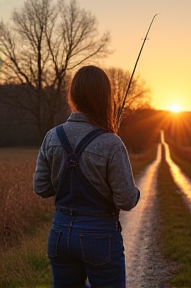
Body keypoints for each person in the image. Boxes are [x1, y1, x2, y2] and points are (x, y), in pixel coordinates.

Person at [33, 65, 140, 288]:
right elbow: (127, 200)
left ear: (73, 95)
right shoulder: (111, 143)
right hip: (99, 237)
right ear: (105, 97)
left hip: (60, 234)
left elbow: (41, 188)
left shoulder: (52, 136)